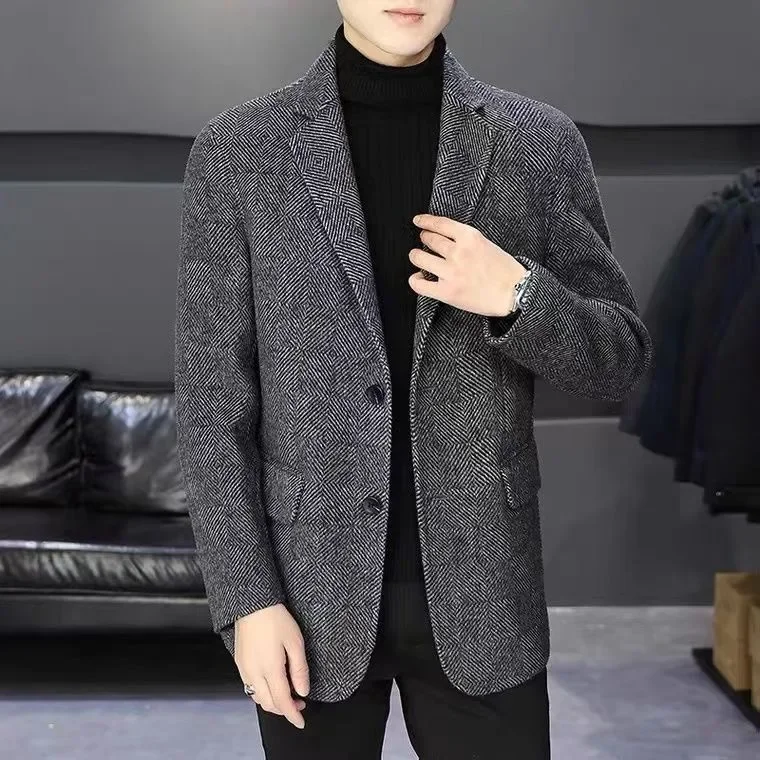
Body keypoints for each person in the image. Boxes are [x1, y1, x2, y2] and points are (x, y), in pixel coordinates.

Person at [174, 1, 653, 757]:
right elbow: (211, 408)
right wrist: (248, 599)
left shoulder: (534, 141)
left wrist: (517, 295)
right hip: (306, 595)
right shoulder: (240, 152)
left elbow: (620, 360)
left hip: (486, 595)